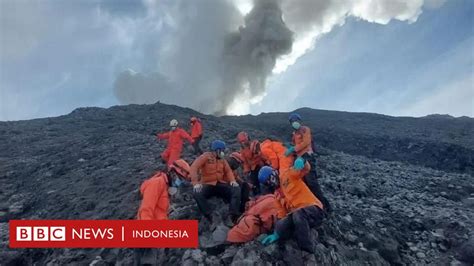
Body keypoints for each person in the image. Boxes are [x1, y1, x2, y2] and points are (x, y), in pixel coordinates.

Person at [260, 159, 325, 262]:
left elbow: (305, 169)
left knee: (298, 215)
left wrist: (302, 161)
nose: (271, 183)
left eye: (270, 179)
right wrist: (277, 232)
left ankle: (307, 250)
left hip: (314, 210)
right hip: (301, 218)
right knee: (282, 224)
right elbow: (282, 215)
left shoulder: (288, 175)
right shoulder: (277, 195)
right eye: (267, 183)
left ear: (274, 173)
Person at [285, 113, 331, 213]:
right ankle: (313, 205)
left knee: (312, 182)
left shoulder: (305, 129)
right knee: (305, 182)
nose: (294, 123)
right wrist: (291, 150)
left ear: (299, 121)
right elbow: (295, 145)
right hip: (300, 159)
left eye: (295, 120)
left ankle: (324, 206)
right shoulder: (294, 134)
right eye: (292, 121)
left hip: (308, 156)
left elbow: (306, 142)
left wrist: (294, 148)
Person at [190, 140, 241, 223]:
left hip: (219, 184)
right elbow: (194, 167)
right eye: (222, 150)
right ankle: (210, 215)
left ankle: (233, 215)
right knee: (197, 193)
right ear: (217, 150)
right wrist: (195, 183)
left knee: (236, 188)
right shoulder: (205, 157)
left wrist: (232, 181)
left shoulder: (222, 160)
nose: (223, 152)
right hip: (207, 184)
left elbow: (228, 171)